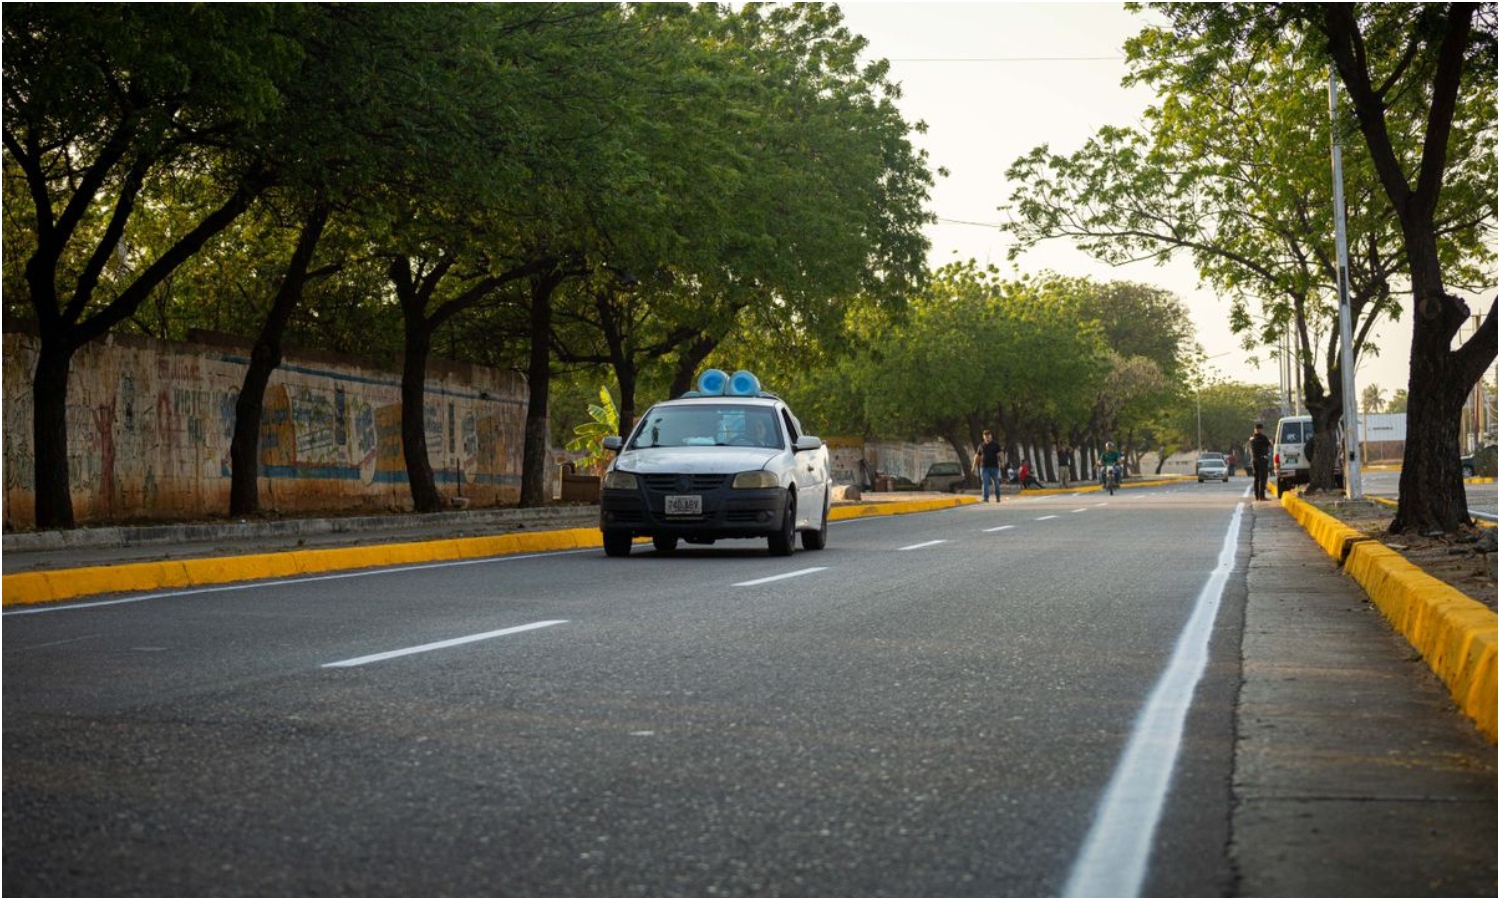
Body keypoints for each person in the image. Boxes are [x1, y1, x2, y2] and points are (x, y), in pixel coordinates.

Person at [976, 429, 1003, 502]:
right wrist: (973, 466)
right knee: (985, 483)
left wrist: (1001, 462)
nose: (987, 437)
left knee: (996, 483)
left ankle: (998, 497)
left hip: (994, 467)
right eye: (986, 436)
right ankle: (986, 498)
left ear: (991, 436)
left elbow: (1000, 453)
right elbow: (977, 456)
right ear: (983, 437)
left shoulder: (996, 444)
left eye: (988, 436)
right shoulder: (981, 445)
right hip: (984, 467)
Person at [1249, 422, 1272, 500]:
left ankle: (1256, 496)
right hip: (1262, 459)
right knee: (1263, 478)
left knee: (1256, 478)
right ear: (1261, 429)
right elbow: (1269, 445)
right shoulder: (1263, 438)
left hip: (1254, 460)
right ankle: (1262, 496)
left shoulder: (1251, 438)